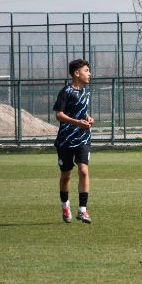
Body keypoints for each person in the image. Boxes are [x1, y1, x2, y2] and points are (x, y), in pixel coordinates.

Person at [53, 59, 94, 223]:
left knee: (84, 171)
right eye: (86, 70)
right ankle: (65, 206)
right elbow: (59, 114)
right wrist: (77, 122)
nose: (89, 73)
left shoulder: (86, 93)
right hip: (65, 140)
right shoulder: (66, 91)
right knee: (66, 176)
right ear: (77, 73)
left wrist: (88, 118)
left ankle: (82, 210)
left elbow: (81, 112)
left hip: (83, 138)